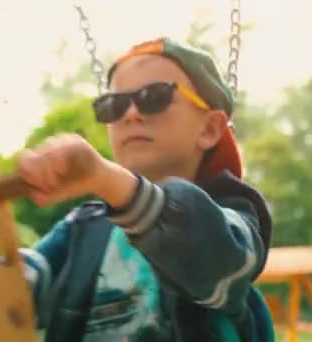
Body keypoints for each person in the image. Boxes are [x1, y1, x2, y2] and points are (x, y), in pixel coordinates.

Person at [17, 37, 273, 342]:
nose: (130, 114)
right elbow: (13, 292)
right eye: (115, 104)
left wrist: (105, 178)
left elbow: (217, 260)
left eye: (154, 96)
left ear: (208, 129)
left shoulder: (233, 217)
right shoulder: (81, 230)